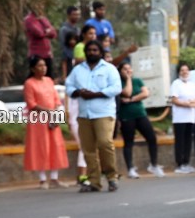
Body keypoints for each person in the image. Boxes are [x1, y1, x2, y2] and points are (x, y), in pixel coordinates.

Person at [64, 39, 122, 192]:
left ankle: (111, 177)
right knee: (88, 149)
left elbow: (116, 88)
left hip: (103, 112)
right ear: (85, 53)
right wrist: (78, 92)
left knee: (104, 143)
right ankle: (94, 181)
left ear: (101, 53)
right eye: (89, 50)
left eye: (95, 50)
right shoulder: (78, 70)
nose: (92, 53)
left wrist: (97, 94)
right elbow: (68, 86)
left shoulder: (109, 69)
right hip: (84, 114)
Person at [22, 56, 69, 187]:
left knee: (55, 146)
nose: (43, 68)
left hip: (52, 118)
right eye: (40, 66)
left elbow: (56, 98)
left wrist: (57, 110)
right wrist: (48, 111)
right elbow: (31, 103)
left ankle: (54, 178)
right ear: (33, 68)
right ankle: (42, 178)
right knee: (40, 147)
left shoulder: (49, 81)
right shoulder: (29, 83)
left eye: (44, 65)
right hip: (38, 120)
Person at [117, 62, 162, 179]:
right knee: (128, 142)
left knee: (152, 138)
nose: (128, 70)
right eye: (125, 69)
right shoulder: (118, 83)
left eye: (129, 68)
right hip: (126, 116)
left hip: (140, 114)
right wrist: (128, 79)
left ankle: (154, 165)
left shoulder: (138, 80)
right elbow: (127, 92)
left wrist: (131, 99)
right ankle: (130, 169)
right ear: (120, 71)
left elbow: (146, 93)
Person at [168, 63, 195, 173]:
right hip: (179, 118)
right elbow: (174, 100)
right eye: (182, 70)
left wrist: (191, 103)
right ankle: (179, 164)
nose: (185, 72)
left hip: (190, 117)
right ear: (179, 72)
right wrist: (188, 104)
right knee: (180, 141)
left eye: (186, 70)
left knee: (188, 141)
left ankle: (186, 163)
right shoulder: (176, 83)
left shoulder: (192, 84)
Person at [58, 6, 81, 79]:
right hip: (68, 60)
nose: (77, 17)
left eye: (78, 15)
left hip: (77, 59)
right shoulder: (64, 30)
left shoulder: (78, 29)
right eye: (74, 14)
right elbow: (63, 47)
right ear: (68, 15)